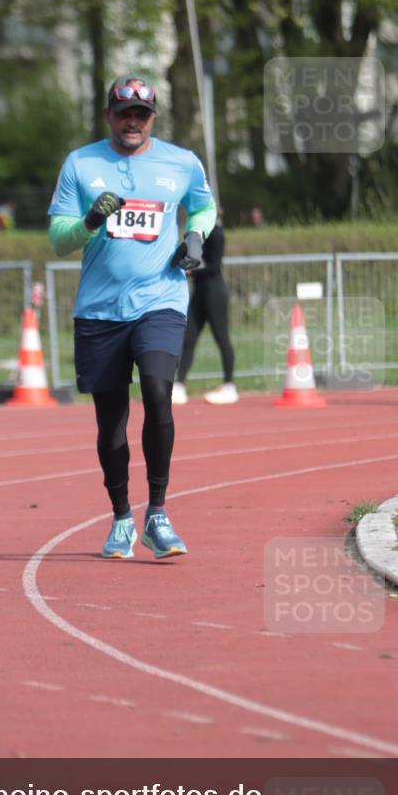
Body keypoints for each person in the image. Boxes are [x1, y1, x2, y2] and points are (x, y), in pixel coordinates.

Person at [48, 74, 216, 559]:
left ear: (152, 119)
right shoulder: (81, 164)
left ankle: (158, 514)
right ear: (109, 116)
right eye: (124, 113)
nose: (132, 123)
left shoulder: (180, 162)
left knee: (160, 392)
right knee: (111, 423)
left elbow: (203, 208)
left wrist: (195, 237)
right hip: (100, 310)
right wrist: (90, 222)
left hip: (160, 299)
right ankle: (122, 516)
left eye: (141, 115)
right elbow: (59, 242)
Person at [172, 210, 237, 405]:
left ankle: (229, 385)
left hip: (214, 292)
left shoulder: (216, 234)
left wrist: (190, 270)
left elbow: (214, 266)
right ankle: (179, 385)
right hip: (199, 293)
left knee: (221, 337)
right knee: (188, 337)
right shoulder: (194, 236)